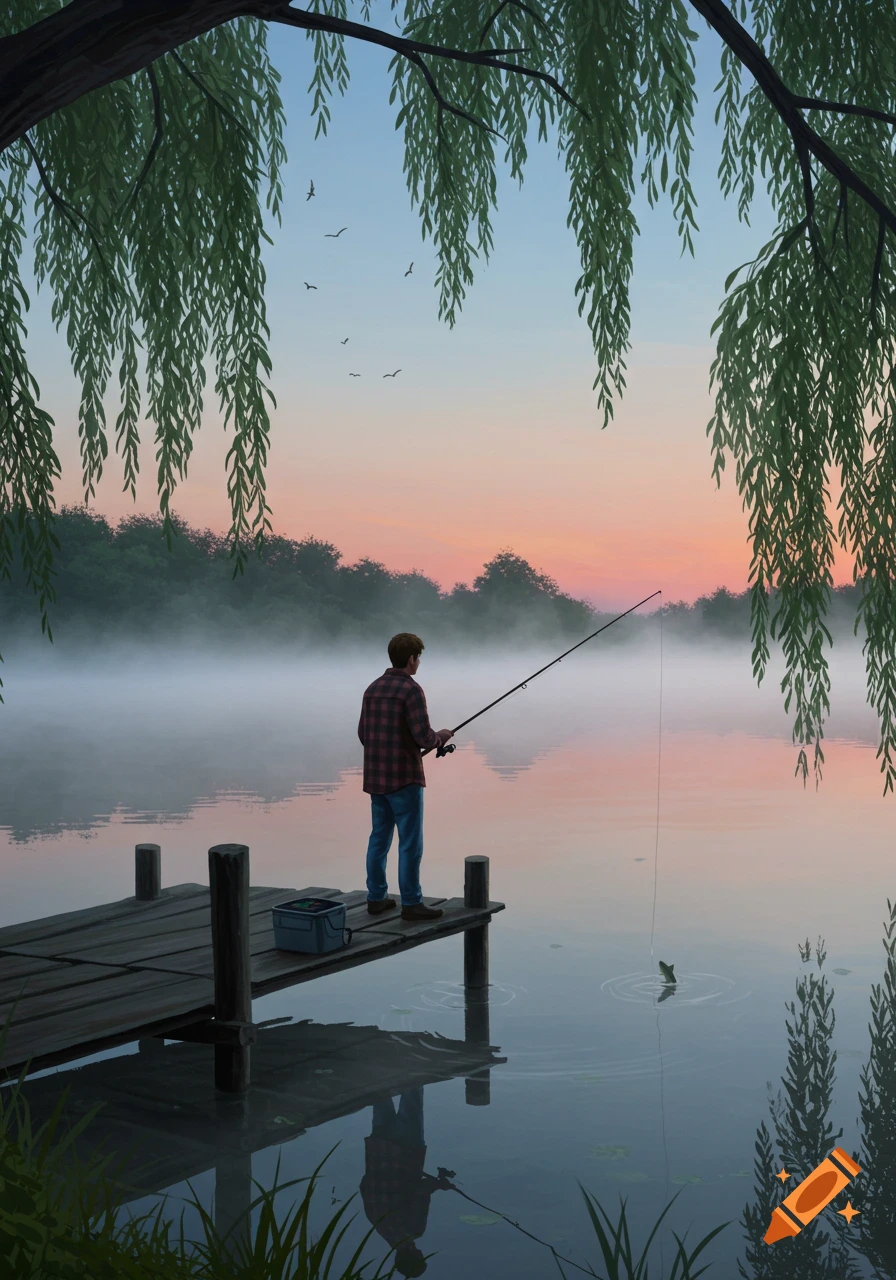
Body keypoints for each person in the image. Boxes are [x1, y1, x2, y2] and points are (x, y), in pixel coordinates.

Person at [358, 633, 454, 920]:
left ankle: (376, 897)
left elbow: (364, 734)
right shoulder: (411, 690)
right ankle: (411, 903)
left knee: (379, 838)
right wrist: (442, 737)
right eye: (418, 657)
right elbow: (424, 737)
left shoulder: (372, 689)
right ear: (411, 658)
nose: (419, 663)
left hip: (376, 779)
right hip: (405, 779)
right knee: (410, 842)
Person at [359, 1087, 449, 1277]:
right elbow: (364, 1184)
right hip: (379, 1147)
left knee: (413, 1089)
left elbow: (422, 1190)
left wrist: (441, 1184)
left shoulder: (414, 1230)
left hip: (407, 1150)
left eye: (420, 1255)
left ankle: (411, 1059)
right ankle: (380, 1060)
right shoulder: (377, 1223)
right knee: (379, 1092)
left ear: (416, 1255)